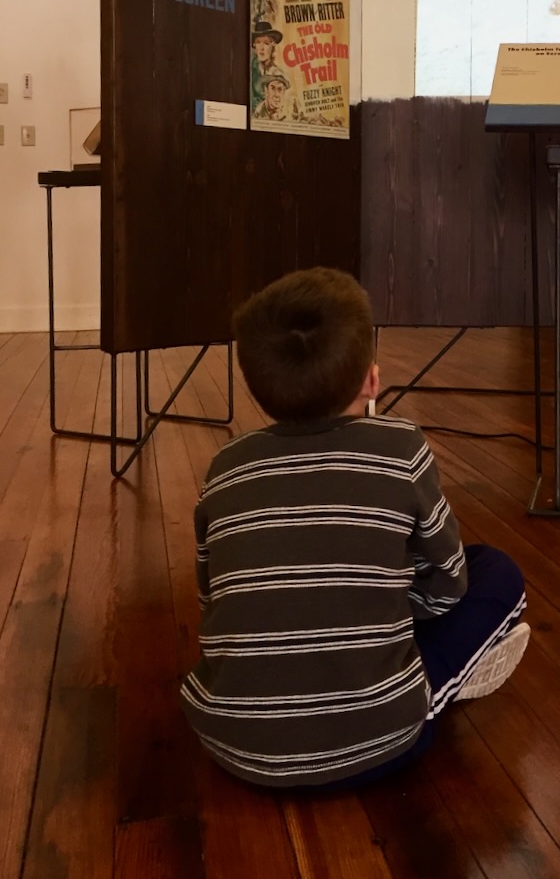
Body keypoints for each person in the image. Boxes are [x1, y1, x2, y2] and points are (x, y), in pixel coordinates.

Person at [180, 268, 529, 788]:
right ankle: (437, 682)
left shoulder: (225, 466)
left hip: (232, 744)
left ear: (258, 390)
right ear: (372, 379)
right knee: (497, 571)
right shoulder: (400, 448)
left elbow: (211, 599)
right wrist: (387, 604)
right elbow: (450, 583)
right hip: (379, 744)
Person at [250, 21, 282, 112]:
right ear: (254, 45)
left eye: (266, 43)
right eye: (258, 42)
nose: (262, 48)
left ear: (272, 45)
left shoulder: (277, 72)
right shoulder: (250, 69)